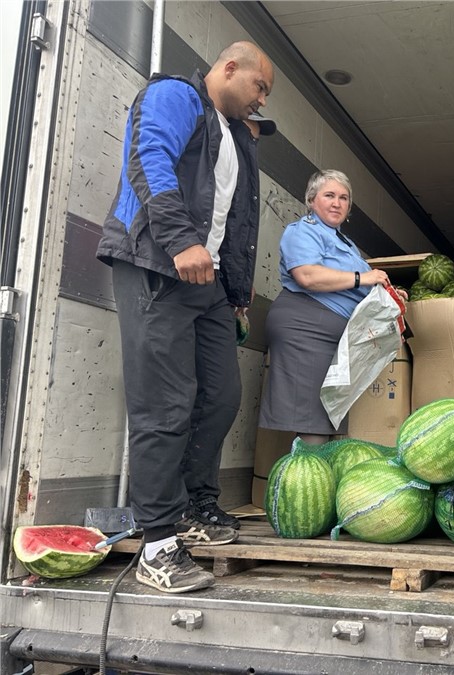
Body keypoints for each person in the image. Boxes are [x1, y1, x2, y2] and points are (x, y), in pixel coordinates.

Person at [96, 41, 275, 593]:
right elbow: (148, 159)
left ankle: (196, 506)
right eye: (260, 87)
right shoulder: (175, 95)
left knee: (220, 396)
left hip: (208, 284)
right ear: (229, 68)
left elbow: (233, 219)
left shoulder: (235, 136)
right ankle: (156, 543)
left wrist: (236, 290)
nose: (262, 99)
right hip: (157, 264)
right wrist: (179, 241)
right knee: (164, 404)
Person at [183, 111, 277, 529]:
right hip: (180, 276)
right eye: (248, 127)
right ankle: (174, 505)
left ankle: (200, 498)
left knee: (221, 397)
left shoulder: (244, 169)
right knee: (179, 400)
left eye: (257, 133)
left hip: (219, 286)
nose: (253, 136)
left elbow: (234, 231)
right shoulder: (209, 150)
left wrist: (239, 285)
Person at [258, 170, 396, 445]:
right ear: (311, 200)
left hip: (331, 332)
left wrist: (387, 293)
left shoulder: (345, 243)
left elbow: (360, 285)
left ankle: (314, 471)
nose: (337, 203)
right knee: (314, 422)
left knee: (326, 420)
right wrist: (362, 278)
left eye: (344, 198)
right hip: (307, 327)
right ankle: (306, 474)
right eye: (329, 195)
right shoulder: (303, 231)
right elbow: (307, 275)